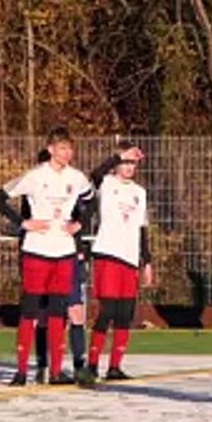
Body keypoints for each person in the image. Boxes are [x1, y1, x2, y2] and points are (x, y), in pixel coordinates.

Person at [0, 127, 95, 386]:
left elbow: (91, 199)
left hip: (64, 252)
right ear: (51, 150)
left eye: (70, 148)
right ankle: (22, 371)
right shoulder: (35, 176)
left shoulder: (77, 177)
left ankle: (57, 371)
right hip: (37, 251)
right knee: (30, 310)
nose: (67, 153)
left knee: (58, 312)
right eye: (62, 148)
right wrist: (23, 222)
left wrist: (79, 222)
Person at [78, 141, 153, 385]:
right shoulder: (107, 183)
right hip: (108, 254)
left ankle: (115, 366)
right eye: (125, 162)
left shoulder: (140, 193)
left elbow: (141, 229)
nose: (129, 167)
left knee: (125, 314)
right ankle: (91, 365)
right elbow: (95, 174)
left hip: (130, 259)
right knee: (106, 311)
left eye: (133, 163)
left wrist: (147, 261)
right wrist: (117, 155)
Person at [21, 148, 89, 384]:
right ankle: (43, 365)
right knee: (41, 314)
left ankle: (80, 365)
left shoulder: (75, 187)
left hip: (69, 256)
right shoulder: (33, 191)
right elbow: (25, 225)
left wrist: (79, 238)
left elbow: (87, 209)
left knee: (75, 312)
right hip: (40, 255)